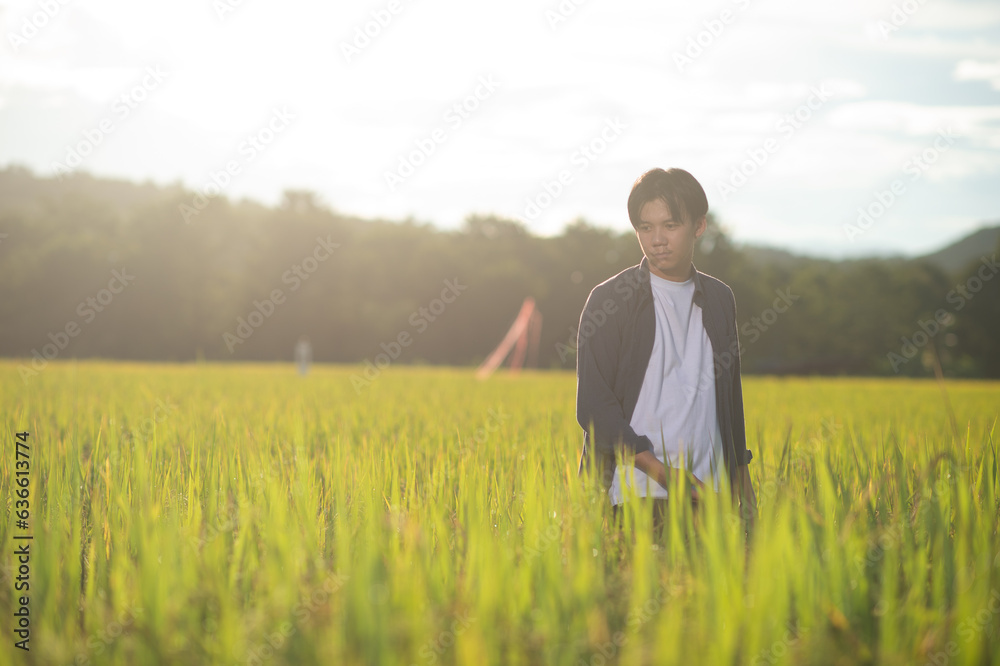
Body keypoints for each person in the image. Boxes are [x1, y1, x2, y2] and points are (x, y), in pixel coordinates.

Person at [575, 167, 756, 538]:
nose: (657, 239)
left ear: (699, 226)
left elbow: (730, 400)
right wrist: (663, 474)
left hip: (709, 496)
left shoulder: (720, 299)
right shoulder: (611, 299)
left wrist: (745, 491)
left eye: (670, 225)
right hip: (632, 495)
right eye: (645, 228)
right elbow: (594, 405)